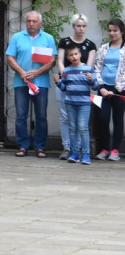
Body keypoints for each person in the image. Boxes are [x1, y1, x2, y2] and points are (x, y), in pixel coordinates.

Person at [6, 10, 57, 157]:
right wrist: (22, 72)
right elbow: (10, 58)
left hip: (40, 82)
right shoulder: (17, 37)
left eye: (34, 21)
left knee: (41, 115)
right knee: (21, 115)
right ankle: (22, 146)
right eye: (29, 21)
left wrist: (37, 72)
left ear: (40, 23)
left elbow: (52, 61)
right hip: (21, 82)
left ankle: (40, 146)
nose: (31, 24)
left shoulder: (48, 38)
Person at [55, 14, 96, 159]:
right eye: (78, 25)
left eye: (84, 26)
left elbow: (89, 66)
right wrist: (66, 76)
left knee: (81, 122)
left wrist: (80, 76)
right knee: (65, 117)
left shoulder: (90, 45)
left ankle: (79, 148)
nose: (81, 28)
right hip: (65, 81)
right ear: (73, 26)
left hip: (82, 85)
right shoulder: (64, 42)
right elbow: (60, 60)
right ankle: (67, 147)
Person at [92, 18, 125, 161]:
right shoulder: (104, 48)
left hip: (119, 91)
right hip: (103, 90)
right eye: (110, 30)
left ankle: (115, 151)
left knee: (118, 119)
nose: (112, 33)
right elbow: (97, 68)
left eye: (115, 30)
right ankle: (105, 149)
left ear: (121, 31)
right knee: (103, 119)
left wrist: (116, 91)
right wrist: (101, 87)